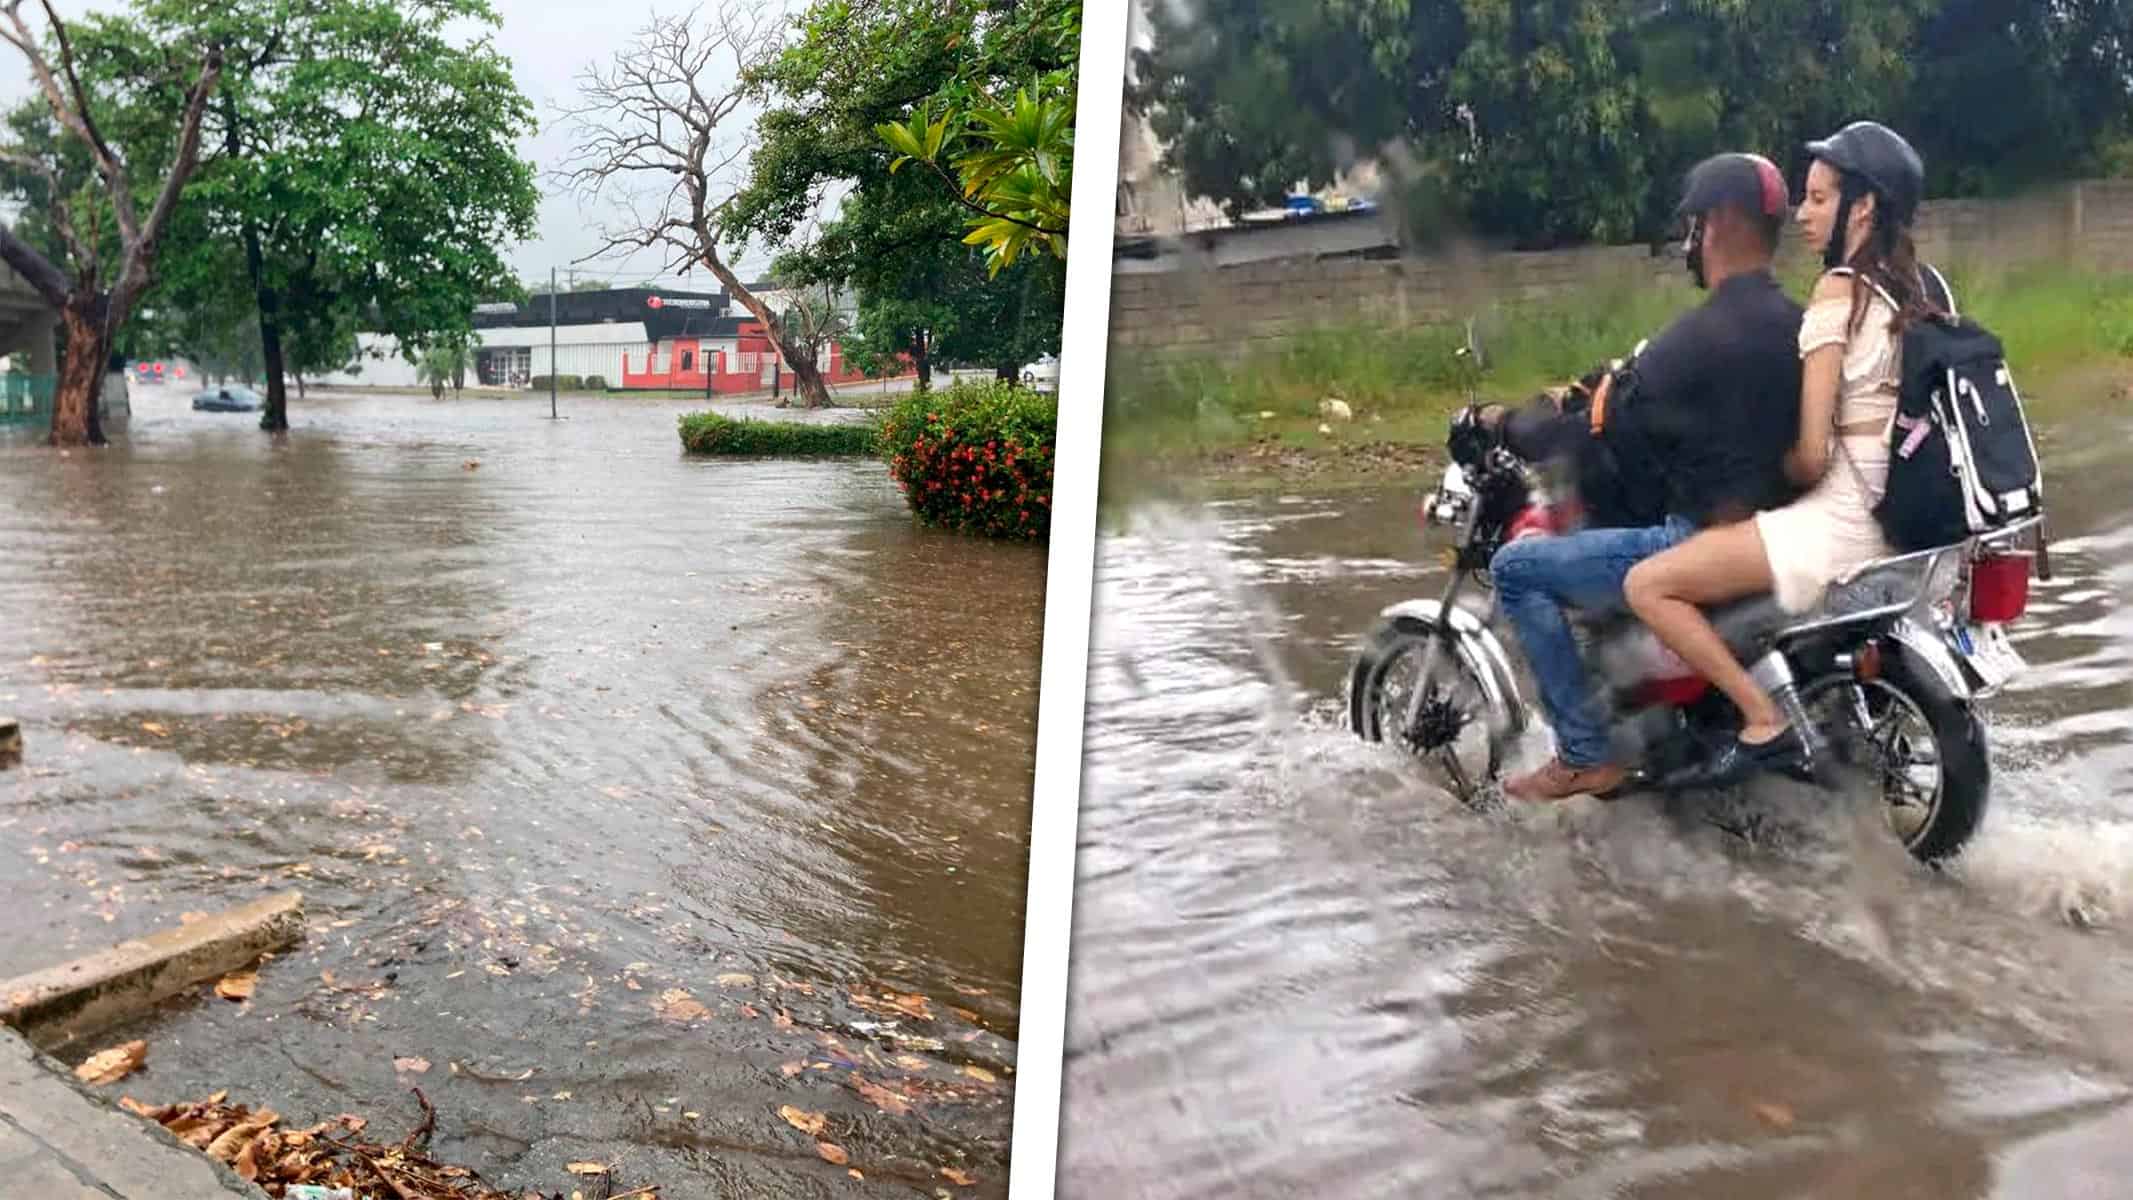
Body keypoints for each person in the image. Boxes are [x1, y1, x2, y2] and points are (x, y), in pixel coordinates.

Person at [1623, 121, 1938, 786]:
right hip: (1908, 522)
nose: (1802, 213)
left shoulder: (1835, 292)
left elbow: (1811, 454)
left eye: (1819, 199)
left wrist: (1772, 476)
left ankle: (1761, 718)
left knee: (1647, 584)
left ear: (1864, 206)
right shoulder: (1923, 289)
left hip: (1843, 523)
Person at [1492, 151, 1806, 802]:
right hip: (1785, 537)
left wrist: (1501, 423)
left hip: (1700, 543)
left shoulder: (1695, 339)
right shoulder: (1800, 326)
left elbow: (1584, 436)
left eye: (1692, 225)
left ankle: (1582, 753)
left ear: (1717, 222)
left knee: (1516, 571)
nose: (1687, 242)